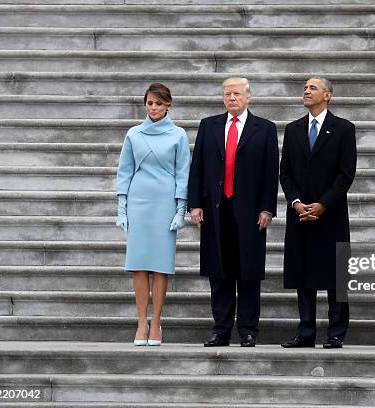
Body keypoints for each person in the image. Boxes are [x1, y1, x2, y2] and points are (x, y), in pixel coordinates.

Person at [187, 77, 278, 347]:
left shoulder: (265, 128)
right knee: (219, 272)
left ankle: (248, 329)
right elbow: (198, 167)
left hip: (250, 212)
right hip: (216, 210)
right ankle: (221, 329)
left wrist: (267, 208)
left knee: (248, 272)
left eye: (237, 94)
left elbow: (270, 172)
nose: (232, 98)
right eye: (227, 94)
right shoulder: (209, 125)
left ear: (248, 97)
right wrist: (195, 204)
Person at [279, 77, 357, 349]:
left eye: (313, 88)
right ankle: (306, 331)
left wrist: (323, 204)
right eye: (305, 88)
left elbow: (346, 173)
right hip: (300, 214)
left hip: (331, 213)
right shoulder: (293, 129)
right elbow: (285, 172)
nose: (306, 91)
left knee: (336, 275)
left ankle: (336, 332)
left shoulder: (344, 129)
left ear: (328, 95)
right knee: (304, 273)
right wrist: (296, 201)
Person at [116, 83, 190, 346]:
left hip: (165, 203)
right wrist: (122, 207)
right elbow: (124, 171)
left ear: (168, 104)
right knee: (138, 265)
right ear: (144, 105)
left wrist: (181, 209)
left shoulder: (178, 135)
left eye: (159, 103)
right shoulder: (134, 134)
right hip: (139, 201)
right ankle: (141, 323)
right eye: (150, 103)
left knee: (160, 267)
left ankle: (156, 323)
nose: (154, 108)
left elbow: (183, 172)